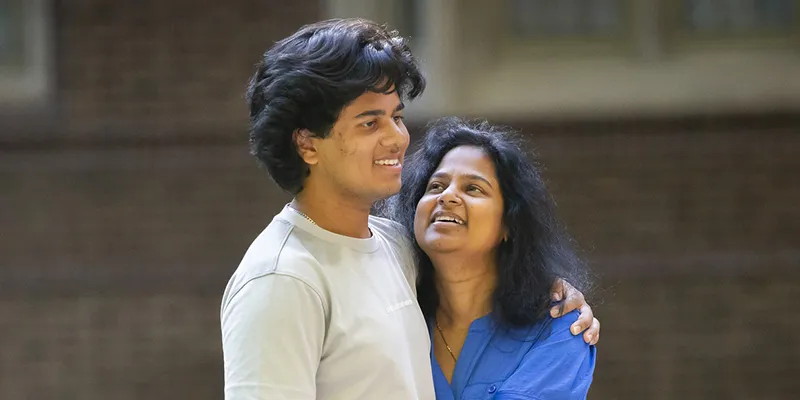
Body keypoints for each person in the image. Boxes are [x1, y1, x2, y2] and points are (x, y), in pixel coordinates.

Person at [220, 18, 599, 399]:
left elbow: (479, 267)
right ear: (307, 145)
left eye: (396, 117)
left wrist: (554, 291)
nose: (397, 138)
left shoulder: (397, 247)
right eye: (370, 123)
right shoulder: (281, 280)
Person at [392, 117, 596, 399]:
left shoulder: (559, 326)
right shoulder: (390, 317)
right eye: (436, 186)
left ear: (509, 224)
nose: (447, 196)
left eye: (473, 188)